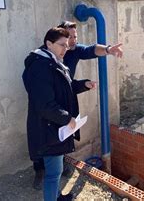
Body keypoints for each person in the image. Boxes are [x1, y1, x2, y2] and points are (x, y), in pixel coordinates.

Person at [31, 21, 124, 190]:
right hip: (48, 100)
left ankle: (58, 164)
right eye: (69, 38)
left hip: (63, 99)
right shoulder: (46, 57)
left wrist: (109, 49)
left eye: (75, 37)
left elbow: (91, 49)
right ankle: (40, 170)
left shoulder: (73, 51)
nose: (72, 41)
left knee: (62, 134)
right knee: (44, 133)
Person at [22, 27, 96, 201]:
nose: (66, 48)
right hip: (48, 128)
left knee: (56, 170)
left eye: (67, 44)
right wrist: (66, 118)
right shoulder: (41, 67)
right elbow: (44, 105)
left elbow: (66, 88)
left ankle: (57, 197)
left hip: (55, 126)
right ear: (49, 43)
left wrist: (83, 85)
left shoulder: (54, 62)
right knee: (54, 173)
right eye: (62, 44)